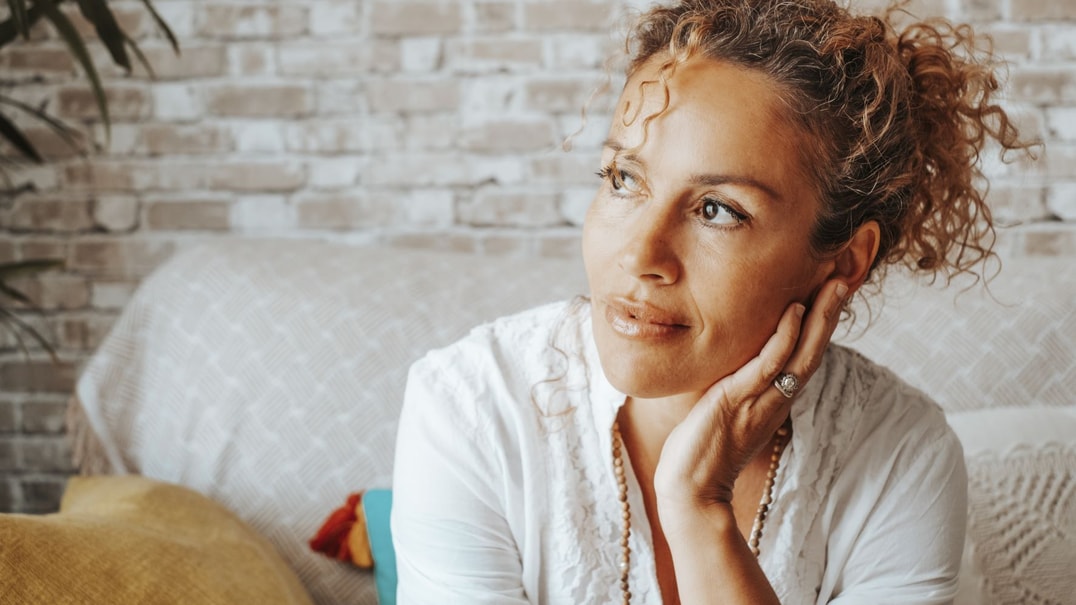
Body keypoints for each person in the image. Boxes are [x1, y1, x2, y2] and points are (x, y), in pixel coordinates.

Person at [391, 0, 1033, 603]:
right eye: (623, 179)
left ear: (844, 261)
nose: (640, 255)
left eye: (717, 209)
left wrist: (698, 505)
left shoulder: (899, 455)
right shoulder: (471, 406)